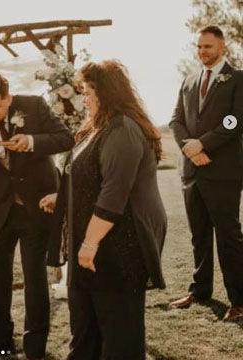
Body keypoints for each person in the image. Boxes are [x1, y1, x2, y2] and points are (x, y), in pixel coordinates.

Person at [42, 60, 167, 360]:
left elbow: (114, 192)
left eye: (87, 92)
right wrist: (61, 198)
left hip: (116, 250)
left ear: (105, 92)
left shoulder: (123, 129)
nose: (82, 98)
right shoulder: (95, 128)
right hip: (90, 248)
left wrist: (89, 243)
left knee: (120, 339)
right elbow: (85, 177)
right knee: (84, 336)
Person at [0, 73, 74, 360]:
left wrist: (33, 141)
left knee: (34, 279)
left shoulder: (33, 106)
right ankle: (0, 343)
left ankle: (35, 349)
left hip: (37, 207)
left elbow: (66, 138)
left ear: (8, 100)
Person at [169, 25, 243, 321]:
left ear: (222, 47)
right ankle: (200, 291)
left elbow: (234, 120)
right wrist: (189, 148)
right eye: (199, 46)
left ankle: (239, 300)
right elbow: (176, 119)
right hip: (192, 173)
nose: (202, 52)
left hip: (223, 173)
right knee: (198, 236)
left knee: (228, 237)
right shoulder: (189, 80)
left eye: (208, 47)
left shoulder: (237, 79)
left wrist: (204, 143)